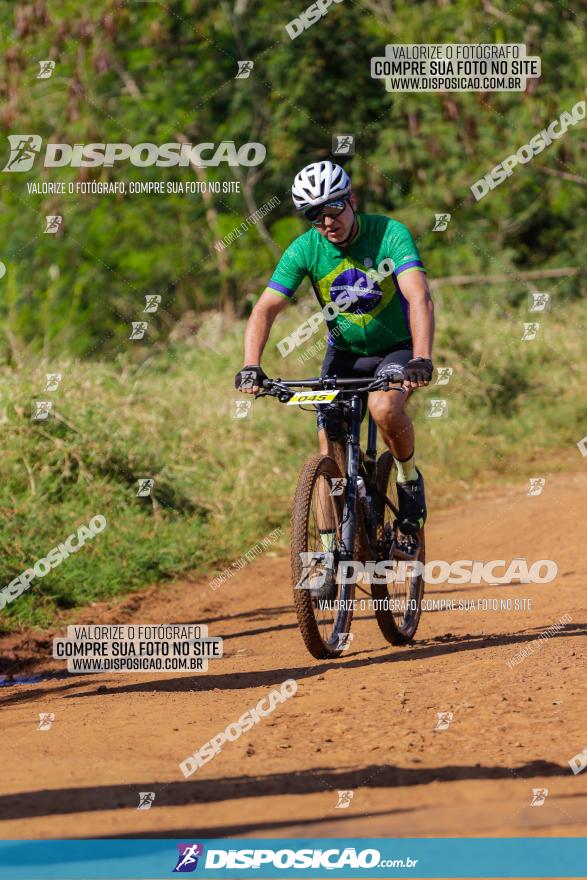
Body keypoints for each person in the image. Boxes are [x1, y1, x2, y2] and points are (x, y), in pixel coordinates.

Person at [235, 160, 434, 536]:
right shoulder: (305, 249)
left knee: (383, 408)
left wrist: (421, 357)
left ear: (352, 199)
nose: (327, 221)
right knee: (328, 443)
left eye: (334, 208)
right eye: (314, 215)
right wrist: (250, 364)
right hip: (344, 353)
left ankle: (408, 477)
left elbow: (419, 295)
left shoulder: (389, 233)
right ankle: (328, 554)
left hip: (395, 347)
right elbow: (265, 308)